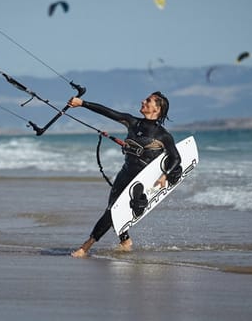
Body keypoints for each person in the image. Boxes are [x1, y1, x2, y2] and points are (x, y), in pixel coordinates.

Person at [68, 91, 182, 258]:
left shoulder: (163, 135)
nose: (143, 101)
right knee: (113, 209)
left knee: (112, 211)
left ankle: (85, 247)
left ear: (157, 109)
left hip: (140, 181)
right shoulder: (132, 122)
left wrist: (165, 175)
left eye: (148, 100)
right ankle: (125, 241)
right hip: (124, 173)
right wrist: (82, 103)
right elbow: (107, 112)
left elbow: (176, 158)